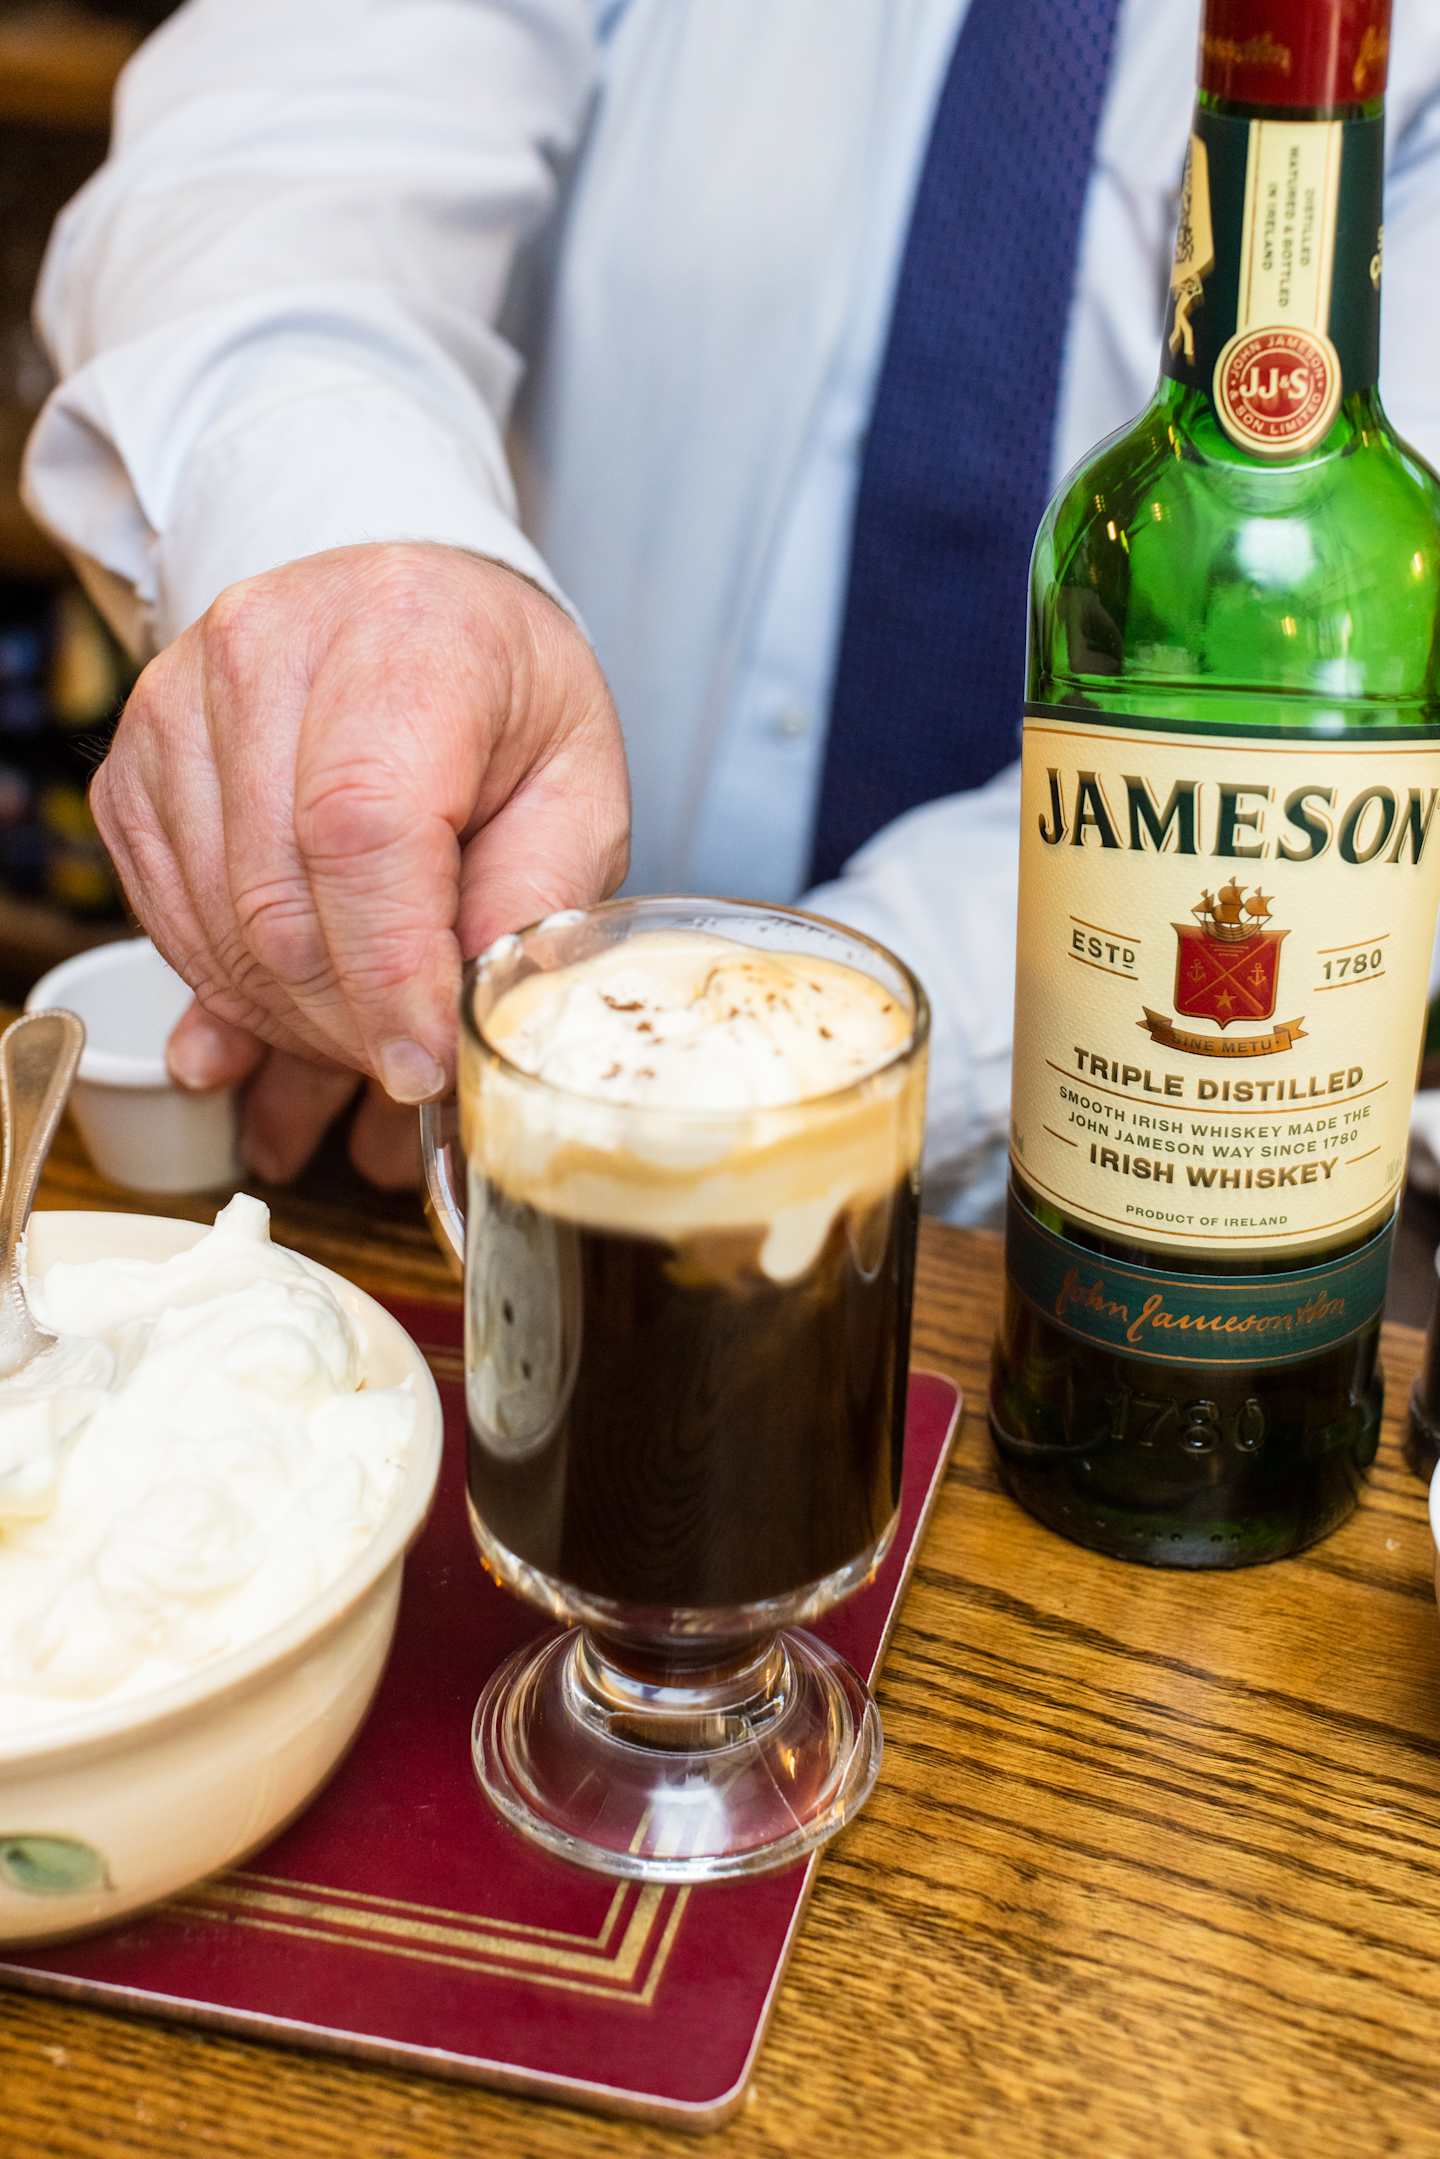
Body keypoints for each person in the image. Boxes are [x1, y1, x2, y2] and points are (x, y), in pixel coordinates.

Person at [22, 0, 1440, 1212]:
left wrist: (717, 1082)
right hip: (456, 1120)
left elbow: (1361, 717)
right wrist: (349, 590)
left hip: (1121, 1198)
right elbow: (284, 138)